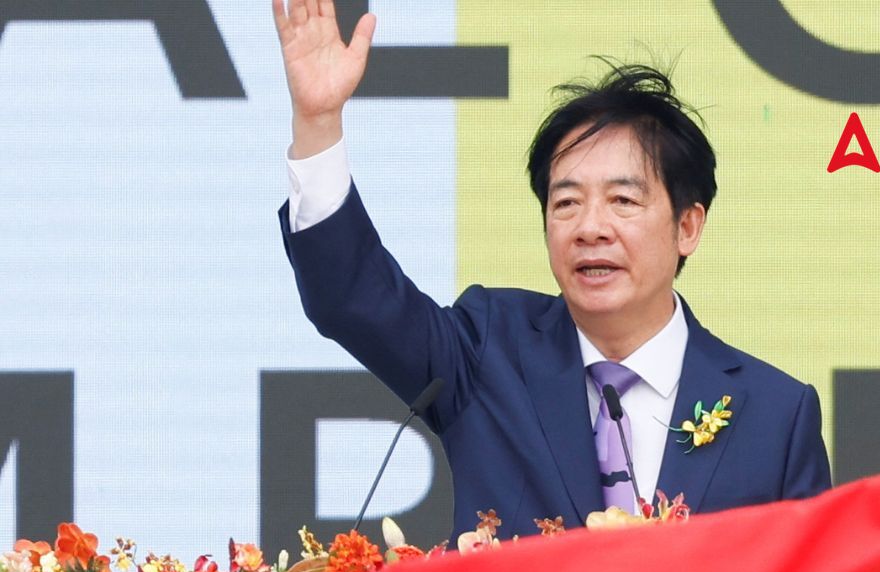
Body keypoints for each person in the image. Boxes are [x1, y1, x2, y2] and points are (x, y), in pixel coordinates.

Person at [272, 0, 832, 539]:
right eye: (566, 203)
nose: (590, 227)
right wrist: (318, 123)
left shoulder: (775, 417)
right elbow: (350, 298)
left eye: (623, 201)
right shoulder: (488, 352)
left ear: (688, 226)